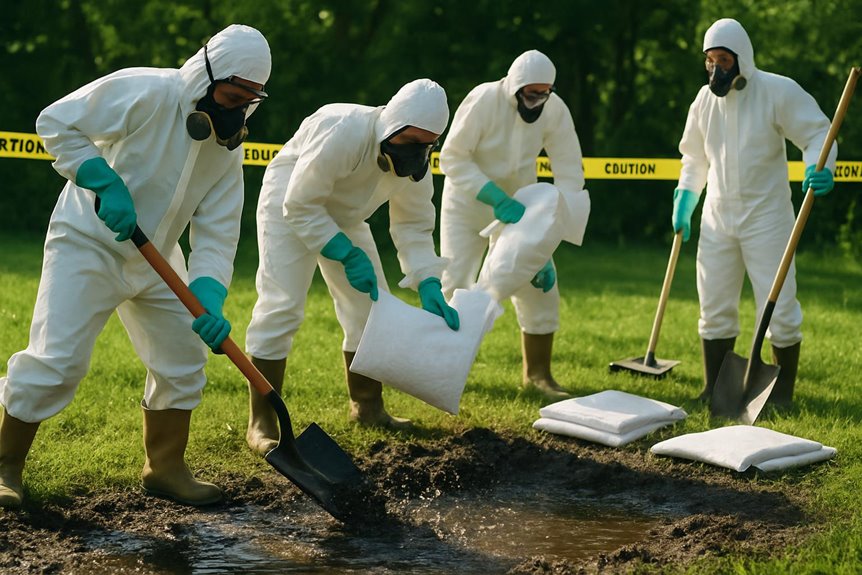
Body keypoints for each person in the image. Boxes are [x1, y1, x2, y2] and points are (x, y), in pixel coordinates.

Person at [0, 24, 271, 508]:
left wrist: (208, 293)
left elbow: (217, 227)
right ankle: (5, 465)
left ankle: (165, 468)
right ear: (204, 78)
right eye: (230, 97)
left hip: (159, 259)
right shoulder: (148, 89)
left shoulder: (228, 149)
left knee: (183, 361)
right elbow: (56, 121)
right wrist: (101, 178)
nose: (234, 112)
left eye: (246, 104)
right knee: (57, 362)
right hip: (87, 243)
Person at [244, 79, 459, 454]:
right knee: (282, 306)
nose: (417, 153)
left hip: (345, 216)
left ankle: (367, 406)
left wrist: (427, 280)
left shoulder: (416, 163)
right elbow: (300, 204)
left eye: (427, 145)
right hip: (291, 202)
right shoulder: (343, 129)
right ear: (390, 126)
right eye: (410, 142)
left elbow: (412, 224)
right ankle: (261, 421)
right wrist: (343, 251)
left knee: (371, 309)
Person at [672, 18, 836, 407]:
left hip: (768, 217)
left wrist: (821, 166)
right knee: (713, 306)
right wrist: (685, 197)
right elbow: (694, 157)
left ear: (741, 59)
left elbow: (817, 133)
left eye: (723, 59)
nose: (716, 69)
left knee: (780, 309)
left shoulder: (776, 90)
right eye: (710, 61)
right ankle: (715, 388)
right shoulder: (703, 102)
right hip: (717, 216)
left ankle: (781, 396)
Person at [438, 50, 585, 401]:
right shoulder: (483, 100)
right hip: (467, 204)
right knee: (456, 282)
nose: (537, 101)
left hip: (521, 207)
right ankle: (444, 369)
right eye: (530, 93)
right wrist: (492, 196)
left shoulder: (555, 109)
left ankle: (538, 375)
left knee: (540, 289)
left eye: (543, 93)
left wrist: (548, 241)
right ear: (514, 87)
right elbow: (452, 156)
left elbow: (569, 174)